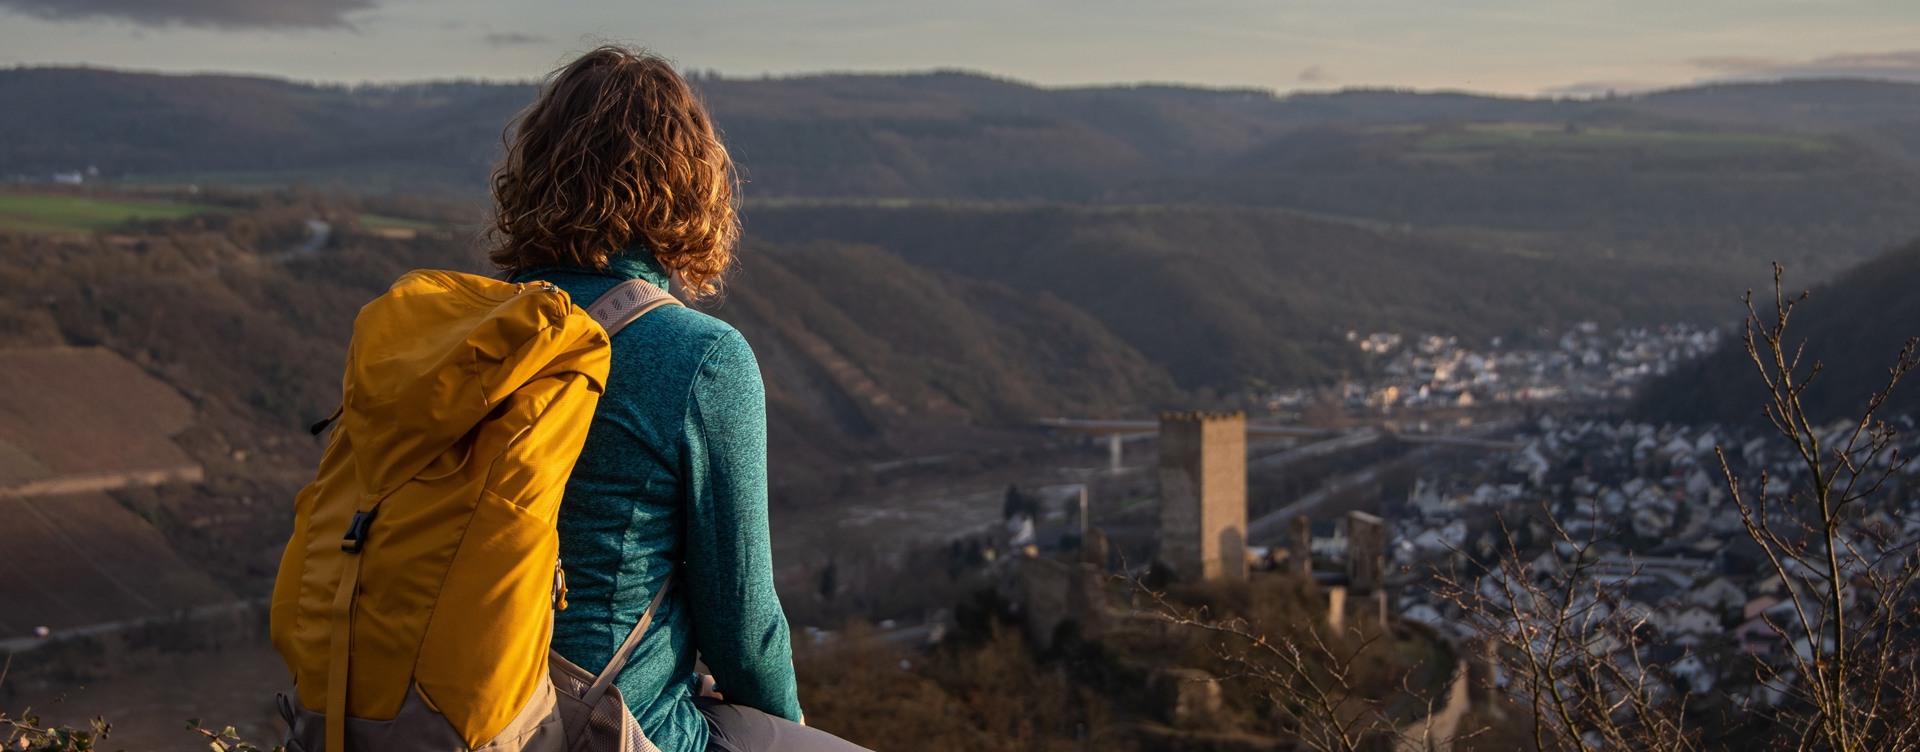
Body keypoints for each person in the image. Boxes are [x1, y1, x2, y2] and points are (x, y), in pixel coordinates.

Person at [487, 46, 871, 752]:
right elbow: (743, 625)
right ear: (692, 186)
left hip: (433, 705)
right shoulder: (698, 357)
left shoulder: (472, 331)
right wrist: (785, 726)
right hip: (601, 725)